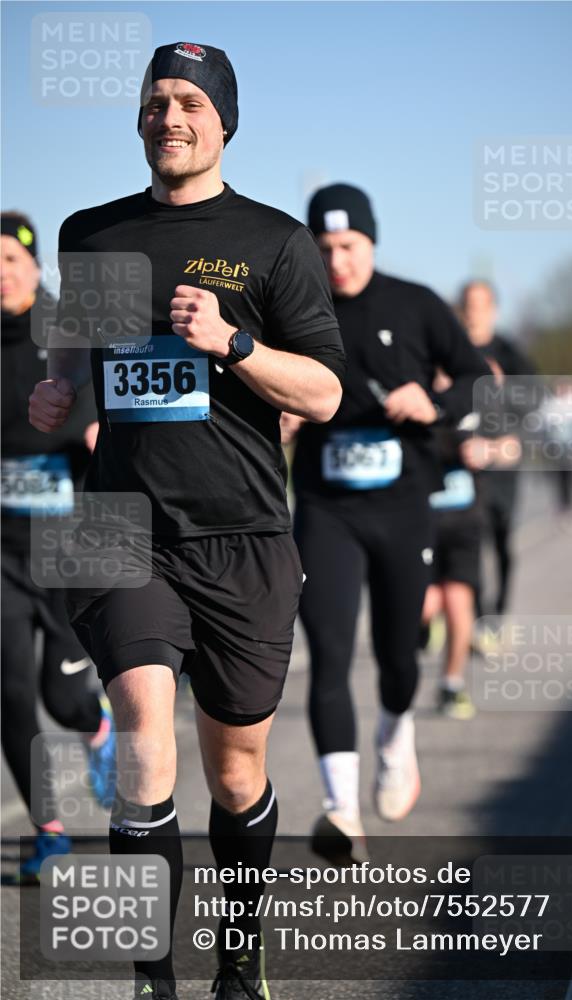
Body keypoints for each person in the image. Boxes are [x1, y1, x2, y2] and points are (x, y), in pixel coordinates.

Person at [29, 43, 345, 1000]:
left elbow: (325, 392)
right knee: (142, 737)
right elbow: (80, 352)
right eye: (156, 101)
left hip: (244, 534)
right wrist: (59, 393)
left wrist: (235, 343)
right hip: (118, 523)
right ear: (138, 118)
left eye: (189, 104)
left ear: (223, 122)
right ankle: (151, 979)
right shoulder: (92, 235)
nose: (170, 117)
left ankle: (238, 966)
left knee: (237, 768)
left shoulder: (274, 242)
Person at [282, 183, 490, 862]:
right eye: (324, 248)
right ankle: (341, 811)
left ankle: (395, 735)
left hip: (403, 507)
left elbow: (475, 380)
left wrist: (430, 401)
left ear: (371, 242)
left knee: (400, 657)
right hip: (325, 508)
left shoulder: (415, 303)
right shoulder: (295, 310)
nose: (336, 260)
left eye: (348, 246)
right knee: (331, 656)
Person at [1, 211, 116, 883]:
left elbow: (100, 407)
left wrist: (97, 431)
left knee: (62, 695)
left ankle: (98, 726)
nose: (0, 274)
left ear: (33, 265)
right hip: (3, 547)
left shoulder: (66, 331)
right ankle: (48, 832)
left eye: (9, 261)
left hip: (72, 542)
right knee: (11, 693)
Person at [422, 364, 520, 718]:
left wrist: (489, 451)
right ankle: (424, 627)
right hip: (422, 522)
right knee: (427, 604)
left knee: (458, 603)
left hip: (465, 521)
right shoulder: (420, 400)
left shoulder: (479, 404)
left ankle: (451, 685)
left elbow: (513, 447)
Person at [458, 280, 536, 630]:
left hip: (502, 464)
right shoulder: (451, 348)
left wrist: (503, 390)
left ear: (493, 310)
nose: (473, 312)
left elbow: (532, 406)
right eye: (467, 305)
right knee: (467, 541)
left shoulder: (510, 353)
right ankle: (473, 616)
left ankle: (499, 610)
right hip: (461, 464)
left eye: (480, 305)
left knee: (502, 540)